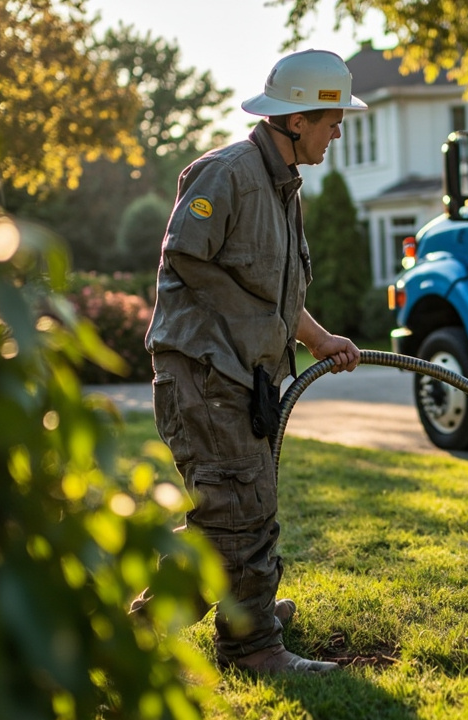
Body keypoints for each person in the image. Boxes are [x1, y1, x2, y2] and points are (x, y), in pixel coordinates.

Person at [143, 49, 365, 674]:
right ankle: (252, 646)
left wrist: (317, 339)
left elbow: (275, 292)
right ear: (296, 121)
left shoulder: (282, 186)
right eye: (332, 122)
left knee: (238, 511)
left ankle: (183, 620)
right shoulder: (229, 174)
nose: (337, 133)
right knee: (238, 510)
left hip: (243, 376)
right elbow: (185, 257)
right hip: (205, 374)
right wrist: (255, 329)